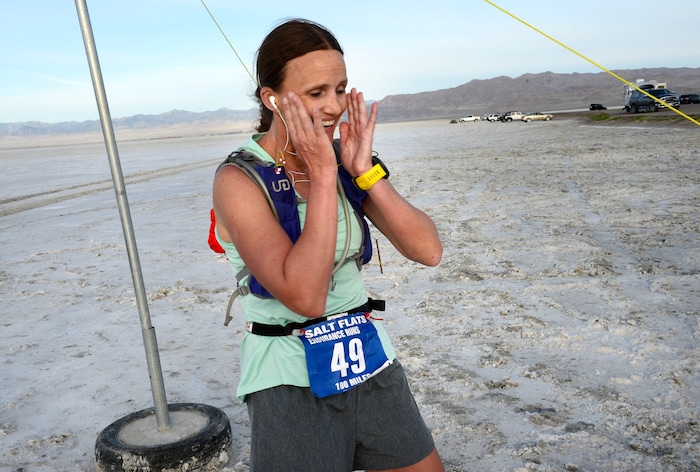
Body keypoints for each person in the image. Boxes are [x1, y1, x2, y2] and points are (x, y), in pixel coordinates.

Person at [212, 18, 444, 471]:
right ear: (272, 98)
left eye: (341, 89)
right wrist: (321, 175)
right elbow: (305, 296)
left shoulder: (344, 161)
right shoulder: (239, 180)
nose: (334, 106)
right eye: (316, 93)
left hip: (367, 357)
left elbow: (427, 250)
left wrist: (364, 171)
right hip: (290, 377)